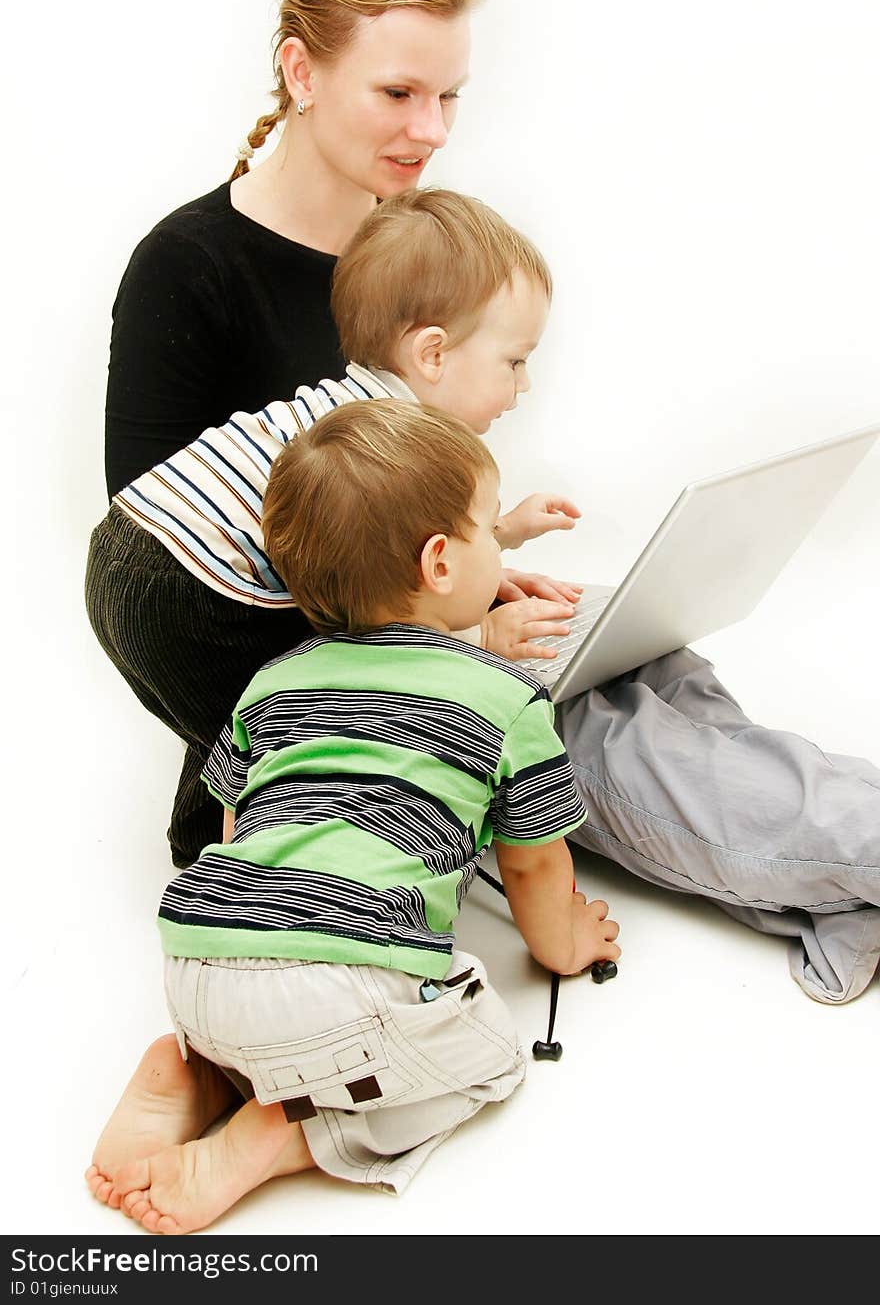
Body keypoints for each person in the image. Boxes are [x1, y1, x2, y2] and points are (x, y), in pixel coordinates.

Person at [85, 399, 622, 1235]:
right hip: (339, 985)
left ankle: (202, 1072)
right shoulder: (508, 696)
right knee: (486, 1056)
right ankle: (287, 1132)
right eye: (490, 527)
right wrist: (570, 943)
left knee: (278, 1017)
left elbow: (235, 826)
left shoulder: (271, 680)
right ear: (441, 561)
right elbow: (534, 868)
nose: (496, 544)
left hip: (199, 959)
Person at [87, 186, 581, 868]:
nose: (522, 387)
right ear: (433, 355)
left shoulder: (354, 405)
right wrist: (479, 634)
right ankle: (292, 868)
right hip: (192, 593)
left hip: (136, 551)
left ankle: (203, 838)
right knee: (302, 707)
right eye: (514, 362)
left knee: (232, 709)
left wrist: (498, 541)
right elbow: (374, 620)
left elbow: (413, 553)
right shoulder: (386, 441)